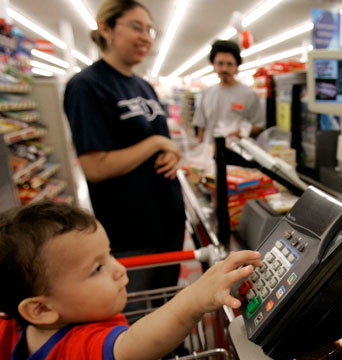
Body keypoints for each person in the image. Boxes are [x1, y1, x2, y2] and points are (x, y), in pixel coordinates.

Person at [0, 201, 261, 359]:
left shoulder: (16, 328)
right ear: (42, 309)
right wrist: (195, 298)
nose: (119, 269)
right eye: (97, 269)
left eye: (110, 254)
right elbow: (134, 345)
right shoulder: (73, 348)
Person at [63, 0, 185, 291]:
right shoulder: (87, 86)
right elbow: (95, 167)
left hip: (167, 220)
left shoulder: (143, 86)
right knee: (136, 317)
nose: (145, 36)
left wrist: (172, 151)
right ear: (106, 28)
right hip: (131, 230)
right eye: (136, 26)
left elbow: (164, 142)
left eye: (149, 30)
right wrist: (155, 142)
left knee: (165, 303)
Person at [192, 40, 265, 143]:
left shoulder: (249, 94)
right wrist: (201, 151)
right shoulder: (207, 93)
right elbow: (201, 127)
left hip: (238, 152)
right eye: (220, 63)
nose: (224, 69)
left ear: (237, 66)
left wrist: (241, 133)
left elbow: (259, 126)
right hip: (211, 151)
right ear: (213, 64)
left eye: (229, 64)